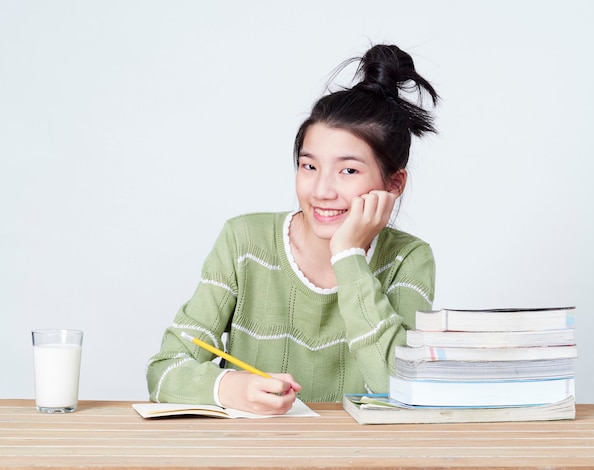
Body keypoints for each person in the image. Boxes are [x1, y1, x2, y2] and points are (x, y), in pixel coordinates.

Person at [146, 44, 439, 415]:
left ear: (394, 184)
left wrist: (349, 256)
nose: (321, 190)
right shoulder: (244, 242)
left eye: (348, 170)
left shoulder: (408, 258)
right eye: (309, 166)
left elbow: (400, 387)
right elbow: (164, 370)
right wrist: (229, 387)